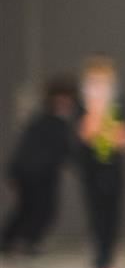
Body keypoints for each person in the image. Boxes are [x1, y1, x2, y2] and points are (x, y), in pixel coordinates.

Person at [3, 74, 77, 257]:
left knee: (32, 208)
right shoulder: (48, 120)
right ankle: (22, 241)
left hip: (39, 172)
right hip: (35, 172)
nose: (63, 100)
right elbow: (56, 148)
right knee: (39, 209)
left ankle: (16, 240)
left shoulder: (53, 120)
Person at [76, 57, 125, 268]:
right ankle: (100, 259)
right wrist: (95, 113)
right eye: (94, 80)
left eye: (103, 80)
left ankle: (107, 257)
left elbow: (124, 139)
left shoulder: (120, 104)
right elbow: (85, 134)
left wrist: (105, 123)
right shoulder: (83, 105)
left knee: (112, 213)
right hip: (91, 166)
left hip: (113, 165)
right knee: (96, 212)